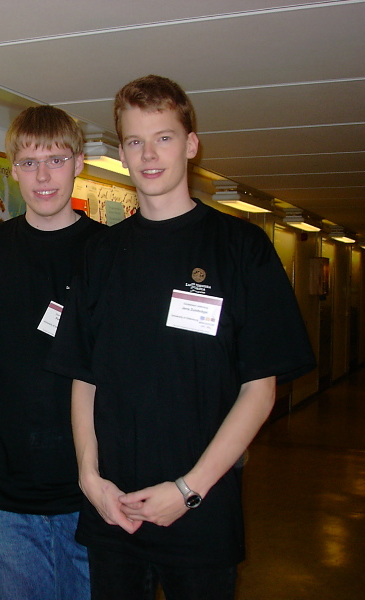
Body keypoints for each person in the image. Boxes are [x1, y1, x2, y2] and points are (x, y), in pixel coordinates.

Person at [48, 74, 316, 599]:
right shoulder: (100, 254)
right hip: (114, 513)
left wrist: (188, 490)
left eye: (164, 138)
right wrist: (89, 478)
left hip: (201, 514)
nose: (148, 155)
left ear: (191, 145)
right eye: (134, 141)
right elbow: (83, 376)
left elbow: (259, 391)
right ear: (121, 153)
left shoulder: (241, 248)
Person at [0, 105, 104, 600]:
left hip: (93, 492)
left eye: (56, 160)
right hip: (5, 499)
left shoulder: (109, 252)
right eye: (28, 163)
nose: (43, 177)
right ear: (13, 169)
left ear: (79, 163)